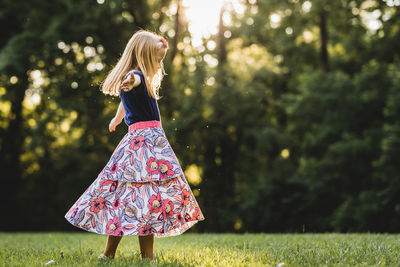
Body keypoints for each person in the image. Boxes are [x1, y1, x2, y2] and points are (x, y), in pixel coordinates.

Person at [64, 30, 205, 261]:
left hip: (150, 142)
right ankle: (111, 253)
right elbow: (132, 81)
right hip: (144, 145)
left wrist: (117, 118)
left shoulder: (140, 80)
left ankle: (140, 257)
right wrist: (131, 80)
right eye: (157, 60)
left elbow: (125, 100)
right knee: (134, 197)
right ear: (145, 56)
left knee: (146, 200)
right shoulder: (135, 76)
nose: (159, 65)